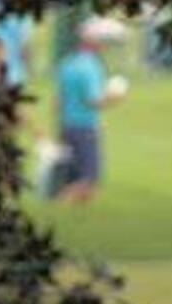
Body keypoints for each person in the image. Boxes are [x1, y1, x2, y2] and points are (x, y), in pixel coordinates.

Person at [54, 18, 127, 204]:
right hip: (84, 127)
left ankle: (71, 212)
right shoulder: (91, 66)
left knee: (74, 177)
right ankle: (61, 204)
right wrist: (114, 99)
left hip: (66, 126)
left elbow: (57, 101)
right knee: (89, 178)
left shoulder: (67, 63)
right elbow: (92, 100)